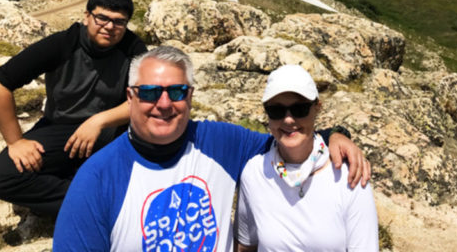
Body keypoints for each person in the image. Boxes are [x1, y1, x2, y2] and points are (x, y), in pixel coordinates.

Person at [52, 46, 370, 252]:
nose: (164, 104)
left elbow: (287, 138)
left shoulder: (219, 143)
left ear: (190, 96)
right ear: (131, 97)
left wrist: (333, 135)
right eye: (150, 92)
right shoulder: (97, 178)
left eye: (176, 91)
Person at [0, 0, 147, 217]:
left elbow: (144, 98)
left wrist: (98, 122)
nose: (110, 27)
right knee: (2, 177)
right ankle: (95, 203)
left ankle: (88, 196)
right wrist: (16, 142)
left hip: (113, 130)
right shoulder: (63, 44)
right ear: (87, 16)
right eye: (102, 18)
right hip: (61, 129)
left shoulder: (133, 48)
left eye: (119, 22)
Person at [234, 64, 379, 252]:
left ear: (317, 108)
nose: (288, 119)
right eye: (276, 111)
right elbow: (246, 246)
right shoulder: (255, 173)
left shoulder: (349, 177)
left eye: (299, 109)